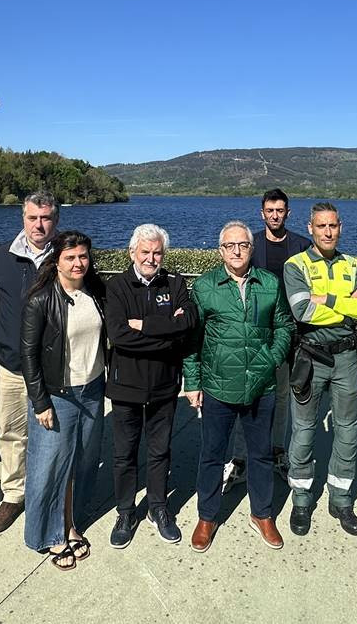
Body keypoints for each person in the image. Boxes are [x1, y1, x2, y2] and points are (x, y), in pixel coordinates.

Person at [183, 220, 294, 553]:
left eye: (243, 245)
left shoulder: (270, 284)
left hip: (262, 387)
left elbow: (285, 327)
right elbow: (193, 338)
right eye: (229, 246)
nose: (236, 251)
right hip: (218, 387)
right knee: (212, 455)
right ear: (220, 251)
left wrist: (270, 360)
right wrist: (193, 381)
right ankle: (207, 516)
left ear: (252, 248)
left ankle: (262, 514)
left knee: (261, 455)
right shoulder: (205, 286)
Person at [284, 202, 357, 537]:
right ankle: (302, 499)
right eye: (321, 226)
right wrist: (349, 307)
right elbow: (303, 312)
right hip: (310, 358)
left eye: (332, 226)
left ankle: (341, 500)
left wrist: (330, 301)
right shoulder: (296, 265)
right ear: (310, 228)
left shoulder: (354, 265)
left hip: (347, 359)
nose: (327, 232)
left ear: (340, 227)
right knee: (304, 430)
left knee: (348, 430)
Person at [105, 224, 197, 548]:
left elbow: (187, 327)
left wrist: (144, 326)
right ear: (132, 252)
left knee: (160, 451)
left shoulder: (175, 283)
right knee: (124, 454)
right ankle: (126, 511)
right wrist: (166, 333)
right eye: (145, 252)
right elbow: (118, 336)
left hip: (163, 386)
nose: (151, 258)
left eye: (157, 252)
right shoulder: (116, 286)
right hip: (125, 386)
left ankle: (158, 508)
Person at [20, 231, 107, 571]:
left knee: (82, 462)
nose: (78, 263)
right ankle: (48, 533)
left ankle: (71, 523)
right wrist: (40, 402)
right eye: (70, 257)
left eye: (83, 256)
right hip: (59, 394)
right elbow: (29, 355)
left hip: (93, 388)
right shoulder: (41, 299)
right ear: (56, 261)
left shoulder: (95, 292)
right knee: (50, 468)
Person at [0, 192, 58, 534]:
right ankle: (13, 494)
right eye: (32, 218)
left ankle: (48, 492)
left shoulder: (68, 257)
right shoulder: (0, 258)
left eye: (45, 218)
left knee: (52, 434)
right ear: (22, 218)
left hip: (55, 368)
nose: (39, 225)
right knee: (12, 433)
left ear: (55, 220)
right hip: (10, 365)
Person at [241, 187, 311, 481]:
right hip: (257, 332)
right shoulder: (251, 244)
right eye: (269, 211)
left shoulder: (302, 245)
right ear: (262, 213)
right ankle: (243, 456)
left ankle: (278, 450)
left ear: (287, 213)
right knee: (249, 393)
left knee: (283, 395)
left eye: (279, 210)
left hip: (290, 332)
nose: (274, 215)